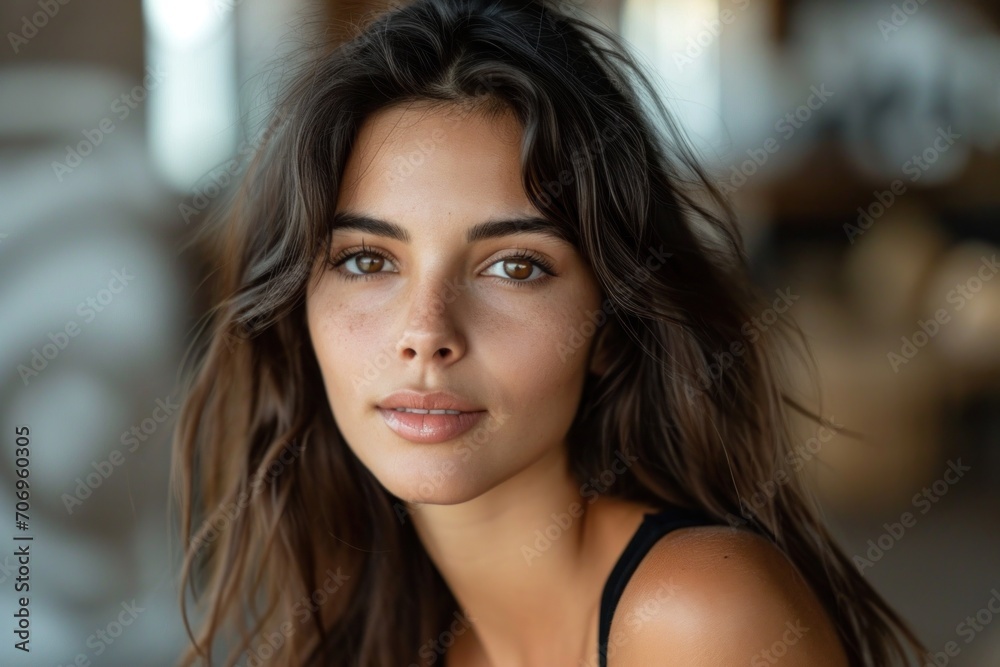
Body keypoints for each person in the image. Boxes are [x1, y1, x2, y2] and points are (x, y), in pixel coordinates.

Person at [171, 0, 926, 665]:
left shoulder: (697, 616)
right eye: (368, 260)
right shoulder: (373, 627)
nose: (426, 333)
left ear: (608, 324)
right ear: (299, 307)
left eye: (515, 268)